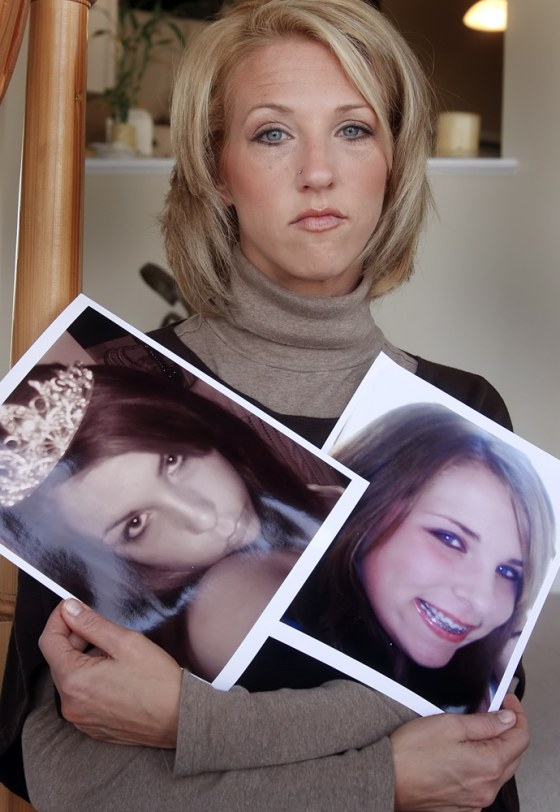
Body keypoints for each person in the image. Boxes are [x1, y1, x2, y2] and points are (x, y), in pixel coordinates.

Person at [0, 1, 529, 810]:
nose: (318, 172)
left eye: (353, 129)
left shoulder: (460, 410)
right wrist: (379, 778)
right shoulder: (110, 388)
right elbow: (72, 777)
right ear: (217, 169)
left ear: (393, 157)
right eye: (272, 133)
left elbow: (469, 732)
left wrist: (187, 723)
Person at [0, 362, 330, 661]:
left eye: (172, 461)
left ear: (191, 425)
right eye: (135, 524)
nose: (204, 518)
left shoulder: (308, 499)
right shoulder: (222, 608)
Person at [285, 403, 555, 712]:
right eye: (450, 539)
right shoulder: (259, 624)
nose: (482, 601)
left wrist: (500, 681)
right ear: (361, 513)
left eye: (508, 572)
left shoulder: (474, 682)